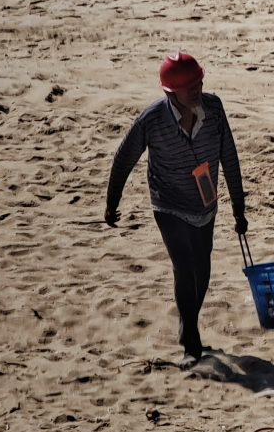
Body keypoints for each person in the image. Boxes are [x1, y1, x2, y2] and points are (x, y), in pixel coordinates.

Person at [106, 52, 249, 360]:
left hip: (205, 203)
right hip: (168, 202)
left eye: (198, 82)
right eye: (188, 87)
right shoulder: (152, 119)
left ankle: (189, 322)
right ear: (170, 92)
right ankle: (192, 342)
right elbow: (124, 158)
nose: (196, 90)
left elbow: (230, 157)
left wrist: (239, 204)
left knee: (202, 265)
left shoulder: (214, 108)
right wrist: (112, 201)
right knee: (183, 267)